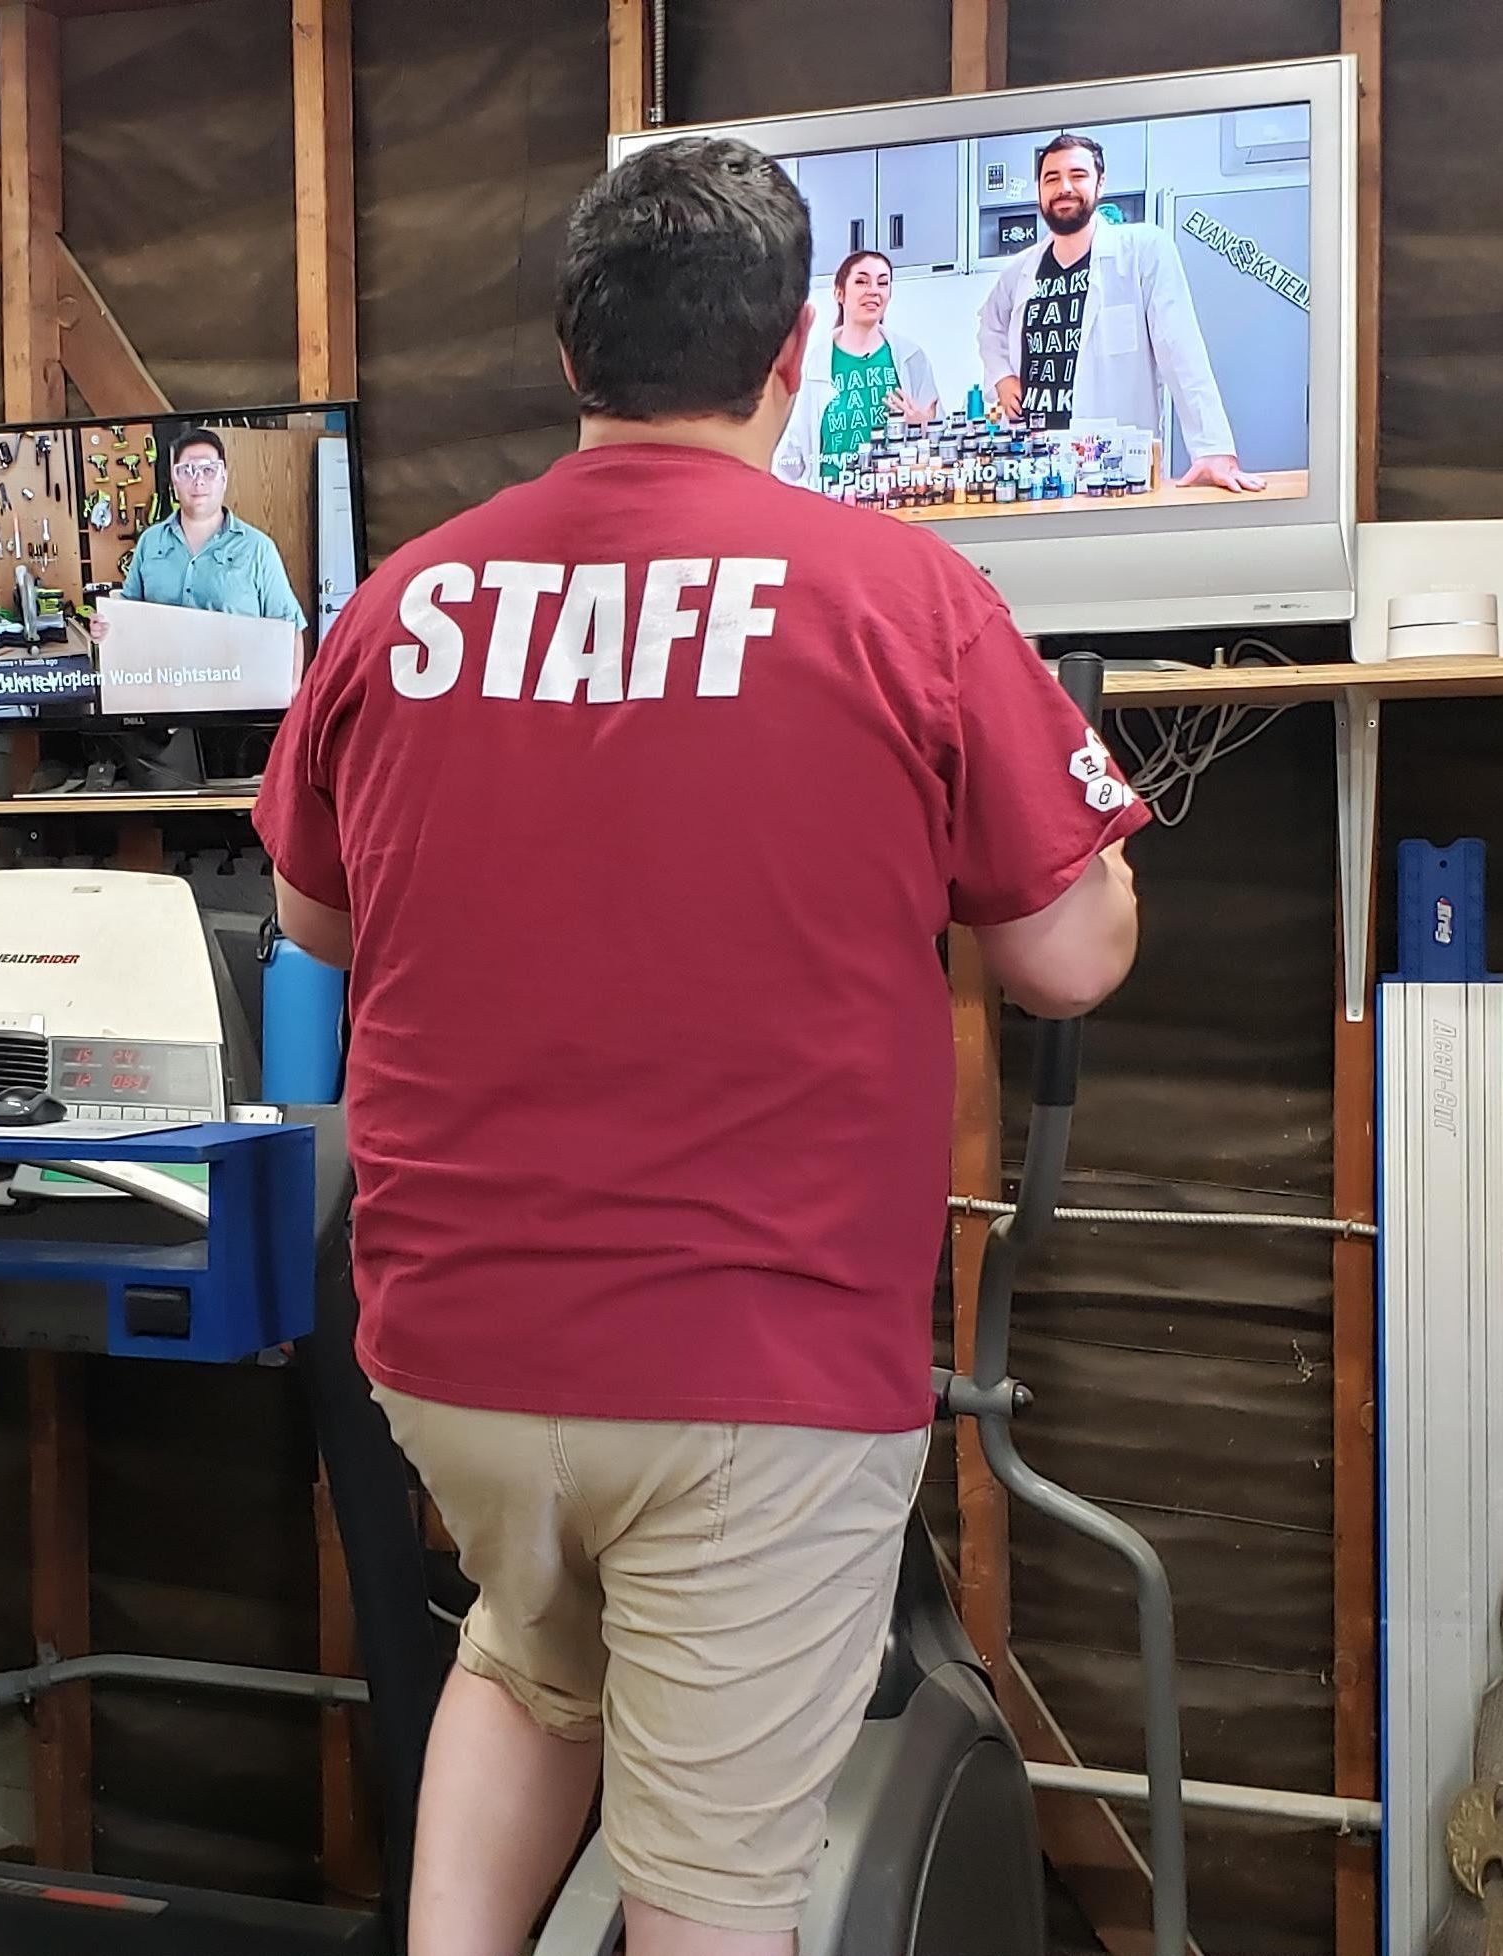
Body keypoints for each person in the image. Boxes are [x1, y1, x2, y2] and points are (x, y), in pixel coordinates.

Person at [253, 136, 1145, 1956]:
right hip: (752, 1365)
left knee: (526, 1648)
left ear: (573, 359)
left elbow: (313, 927)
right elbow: (1061, 955)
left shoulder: (402, 602)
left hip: (458, 1357)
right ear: (792, 353)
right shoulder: (900, 596)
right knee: (715, 1888)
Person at [977, 131, 1262, 493]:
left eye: (1077, 175)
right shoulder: (1018, 271)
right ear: (1039, 190)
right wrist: (1002, 376)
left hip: (1113, 468)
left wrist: (1213, 449)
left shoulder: (1143, 250)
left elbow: (1182, 351)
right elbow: (989, 325)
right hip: (1034, 466)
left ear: (1100, 184)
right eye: (1051, 178)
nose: (1064, 186)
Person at [90, 427, 309, 640]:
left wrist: (291, 679)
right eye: (186, 470)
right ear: (174, 480)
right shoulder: (149, 542)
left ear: (223, 477)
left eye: (208, 469)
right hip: (164, 676)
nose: (198, 480)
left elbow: (289, 630)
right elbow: (125, 618)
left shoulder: (258, 549)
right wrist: (105, 627)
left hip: (238, 677)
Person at [774, 248, 941, 489]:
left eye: (883, 283)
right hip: (832, 502)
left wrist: (922, 424)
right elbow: (795, 447)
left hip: (896, 496)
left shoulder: (911, 358)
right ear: (839, 293)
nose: (873, 290)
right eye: (862, 281)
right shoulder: (816, 363)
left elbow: (942, 438)